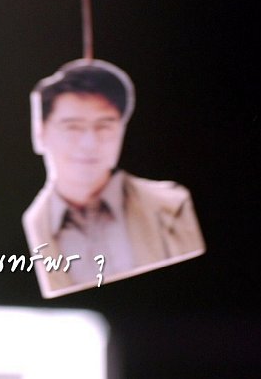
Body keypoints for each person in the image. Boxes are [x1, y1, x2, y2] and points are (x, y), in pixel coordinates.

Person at [22, 58, 205, 298]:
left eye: (104, 126)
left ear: (122, 130)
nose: (89, 144)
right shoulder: (31, 225)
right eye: (72, 127)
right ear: (40, 133)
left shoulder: (173, 207)